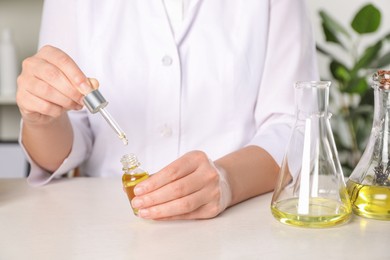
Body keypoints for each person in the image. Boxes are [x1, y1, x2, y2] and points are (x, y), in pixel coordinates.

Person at [16, 0, 318, 220]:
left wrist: (226, 179)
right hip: (107, 224)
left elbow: (294, 127)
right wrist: (41, 121)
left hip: (240, 221)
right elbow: (72, 133)